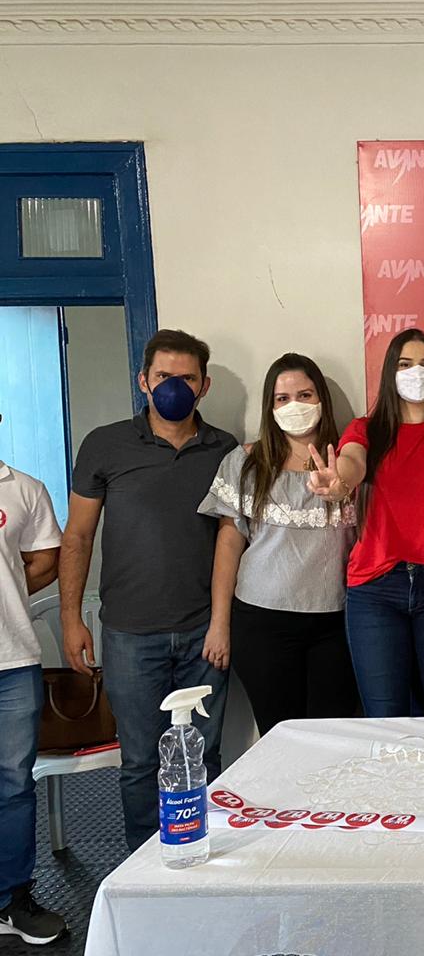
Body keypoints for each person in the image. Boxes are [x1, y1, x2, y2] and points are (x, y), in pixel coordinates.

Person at [60, 329, 237, 851]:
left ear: (204, 385)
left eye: (186, 378)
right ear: (144, 381)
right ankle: (145, 863)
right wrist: (71, 619)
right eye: (163, 376)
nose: (174, 387)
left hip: (204, 633)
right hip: (130, 636)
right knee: (140, 761)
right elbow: (78, 536)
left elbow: (232, 537)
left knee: (204, 757)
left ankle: (200, 852)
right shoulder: (105, 444)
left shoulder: (225, 449)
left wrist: (222, 623)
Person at [307, 329, 424, 718]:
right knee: (385, 715)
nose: (417, 373)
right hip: (375, 589)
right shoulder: (368, 430)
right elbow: (352, 461)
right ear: (389, 374)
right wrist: (339, 481)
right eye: (405, 364)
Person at [198, 353, 358, 736]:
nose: (294, 406)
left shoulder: (351, 462)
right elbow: (228, 544)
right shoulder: (245, 462)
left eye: (305, 395)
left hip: (337, 622)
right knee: (280, 736)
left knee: (332, 738)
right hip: (262, 623)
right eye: (282, 398)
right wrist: (219, 624)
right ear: (270, 407)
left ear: (321, 399)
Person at [0, 455, 64, 945]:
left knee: (14, 786)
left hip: (12, 658)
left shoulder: (24, 488)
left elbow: (44, 561)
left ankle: (11, 900)